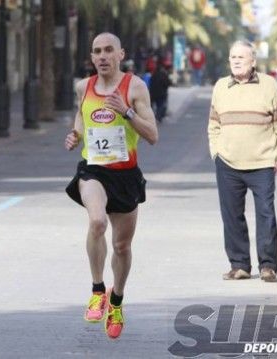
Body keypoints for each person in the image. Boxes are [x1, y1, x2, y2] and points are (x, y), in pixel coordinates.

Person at [64, 32, 158, 339]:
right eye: (97, 52)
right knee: (96, 222)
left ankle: (116, 301)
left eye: (108, 51)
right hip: (94, 170)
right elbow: (81, 115)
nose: (102, 56)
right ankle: (97, 290)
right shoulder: (84, 86)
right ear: (91, 58)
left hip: (126, 174)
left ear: (120, 54)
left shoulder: (135, 87)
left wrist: (126, 112)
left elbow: (153, 135)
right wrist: (75, 134)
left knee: (122, 245)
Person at [207, 40, 277, 282]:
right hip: (228, 163)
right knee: (232, 215)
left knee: (266, 214)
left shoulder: (269, 86)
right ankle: (240, 265)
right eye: (232, 57)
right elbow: (213, 124)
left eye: (241, 57)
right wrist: (216, 153)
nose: (235, 61)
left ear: (253, 61)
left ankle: (268, 266)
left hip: (262, 162)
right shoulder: (221, 87)